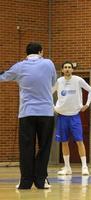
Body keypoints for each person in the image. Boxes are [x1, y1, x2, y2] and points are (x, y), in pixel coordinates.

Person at [0, 42, 57, 189]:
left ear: (27, 53)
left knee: (26, 147)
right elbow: (53, 82)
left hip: (26, 113)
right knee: (44, 147)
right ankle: (41, 180)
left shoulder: (19, 66)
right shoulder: (48, 63)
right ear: (40, 52)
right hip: (46, 113)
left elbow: (3, 77)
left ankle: (25, 181)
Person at [53, 61, 91, 176]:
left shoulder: (78, 80)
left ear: (72, 70)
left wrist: (87, 104)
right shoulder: (59, 81)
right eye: (65, 67)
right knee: (64, 142)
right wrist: (53, 107)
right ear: (62, 70)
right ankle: (67, 167)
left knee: (79, 141)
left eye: (69, 67)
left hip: (75, 116)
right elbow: (48, 93)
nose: (67, 69)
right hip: (62, 116)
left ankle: (84, 167)